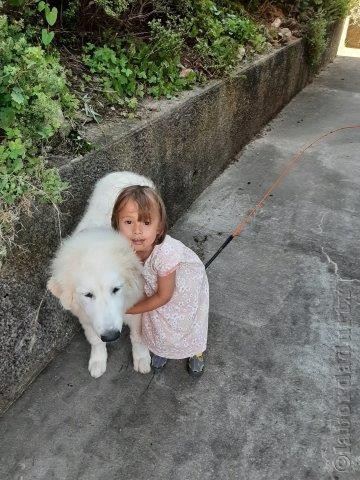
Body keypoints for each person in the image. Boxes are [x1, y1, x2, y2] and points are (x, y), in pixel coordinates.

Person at [111, 185, 209, 377]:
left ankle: (195, 350)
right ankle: (163, 349)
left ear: (159, 228)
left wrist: (125, 308)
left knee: (184, 321)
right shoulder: (122, 247)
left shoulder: (165, 254)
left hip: (183, 287)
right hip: (157, 285)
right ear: (116, 225)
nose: (137, 230)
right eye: (128, 222)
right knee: (157, 321)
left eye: (146, 222)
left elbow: (163, 296)